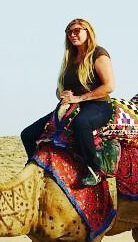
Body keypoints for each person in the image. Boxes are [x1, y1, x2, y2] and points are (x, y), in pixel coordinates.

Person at [21, 18, 115, 186]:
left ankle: (94, 170)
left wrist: (80, 98)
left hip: (98, 105)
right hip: (71, 107)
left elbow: (109, 86)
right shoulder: (70, 58)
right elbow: (61, 88)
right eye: (69, 32)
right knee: (28, 134)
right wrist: (61, 94)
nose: (73, 34)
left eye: (77, 30)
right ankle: (37, 168)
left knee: (81, 124)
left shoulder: (99, 54)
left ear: (88, 31)